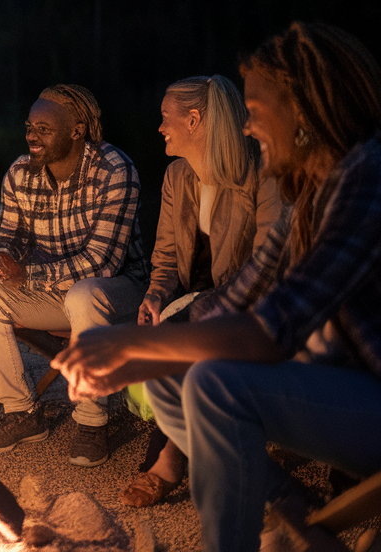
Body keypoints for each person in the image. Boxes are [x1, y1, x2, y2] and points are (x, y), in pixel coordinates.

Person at [52, 23, 381, 552]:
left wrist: (131, 344)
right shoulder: (317, 193)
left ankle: (245, 541)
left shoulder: (379, 176)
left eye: (256, 111)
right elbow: (234, 298)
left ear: (304, 110)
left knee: (214, 385)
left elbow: (275, 328)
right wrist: (142, 358)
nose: (246, 128)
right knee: (168, 382)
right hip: (378, 392)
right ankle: (309, 522)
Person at [119, 75, 283, 508]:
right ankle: (186, 453)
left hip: (248, 304)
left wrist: (194, 309)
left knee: (185, 345)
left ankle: (168, 460)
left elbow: (268, 268)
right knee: (163, 338)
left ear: (194, 120)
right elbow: (167, 257)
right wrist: (155, 295)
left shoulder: (263, 175)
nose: (160, 127)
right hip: (194, 297)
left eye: (165, 118)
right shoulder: (178, 176)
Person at [0, 83, 149, 465]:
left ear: (77, 130)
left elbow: (102, 263)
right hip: (55, 291)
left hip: (118, 291)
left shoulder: (115, 170)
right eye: (29, 126)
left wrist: (25, 276)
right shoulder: (19, 173)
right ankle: (23, 412)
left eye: (43, 129)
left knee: (84, 293)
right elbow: (10, 237)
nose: (31, 135)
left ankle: (91, 419)